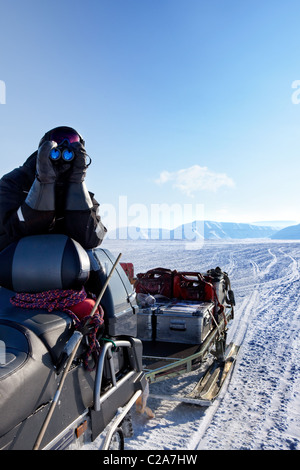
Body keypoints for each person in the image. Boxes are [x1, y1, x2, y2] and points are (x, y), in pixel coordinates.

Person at [0, 126, 107, 251]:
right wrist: (43, 183)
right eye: (57, 140)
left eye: (73, 142)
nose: (64, 145)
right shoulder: (15, 182)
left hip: (67, 267)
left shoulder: (86, 198)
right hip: (14, 265)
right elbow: (7, 230)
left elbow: (95, 237)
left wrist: (76, 183)